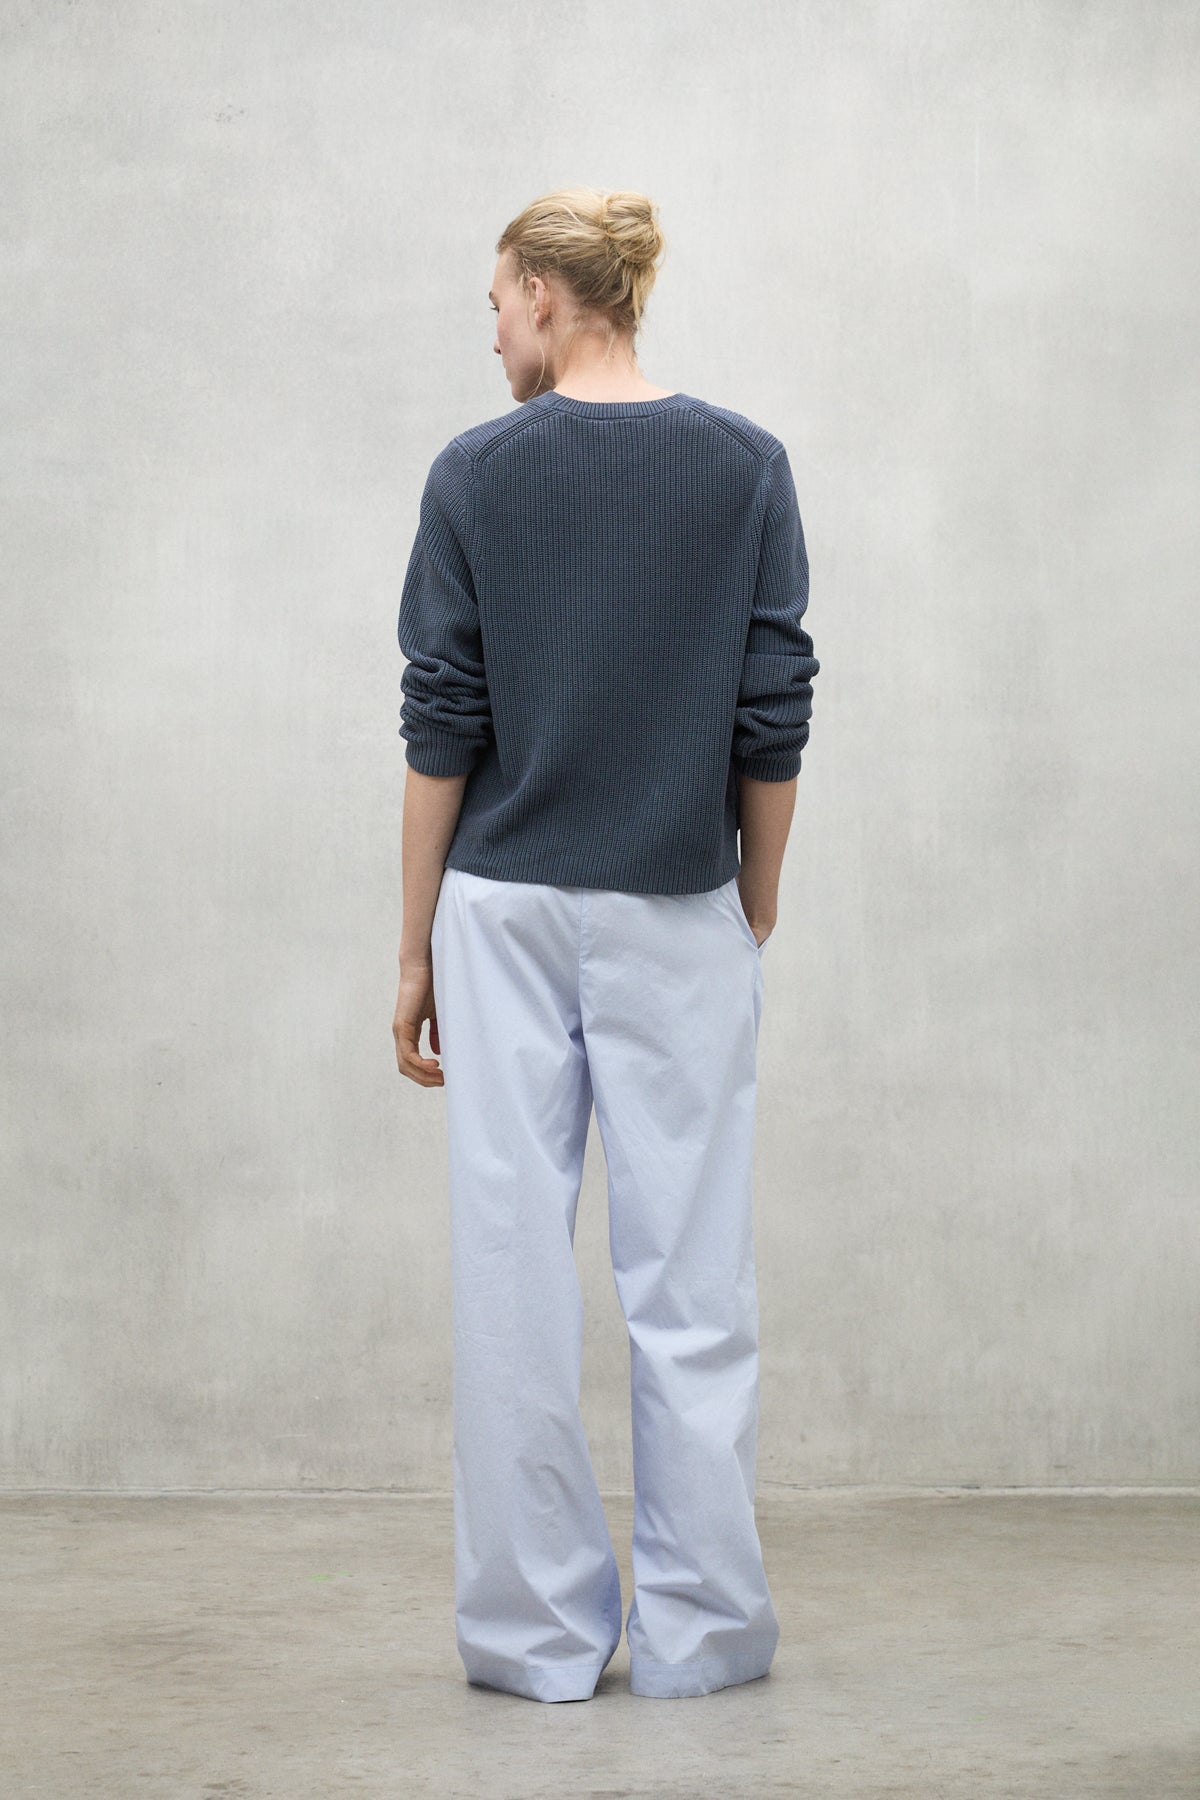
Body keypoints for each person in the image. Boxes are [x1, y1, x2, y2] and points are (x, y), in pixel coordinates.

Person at [391, 186, 819, 1703]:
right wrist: (756, 892)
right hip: (678, 902)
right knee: (692, 1276)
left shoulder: (475, 473)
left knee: (510, 1270)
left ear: (546, 294)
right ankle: (704, 1637)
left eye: (496, 301)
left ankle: (534, 1639)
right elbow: (774, 705)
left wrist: (411, 949)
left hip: (502, 911)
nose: (492, 329)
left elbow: (442, 719)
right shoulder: (745, 465)